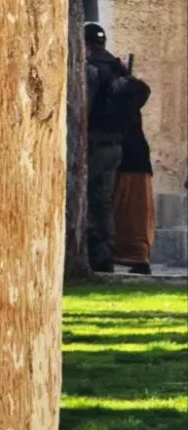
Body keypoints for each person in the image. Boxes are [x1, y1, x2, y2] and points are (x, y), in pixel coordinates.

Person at [84, 23, 148, 273]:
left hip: (93, 146)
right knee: (103, 203)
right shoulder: (118, 67)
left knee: (75, 196)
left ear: (85, 44)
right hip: (115, 146)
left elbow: (85, 108)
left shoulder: (90, 68)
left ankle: (93, 251)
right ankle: (105, 255)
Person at [112, 108, 154, 275]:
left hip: (128, 164)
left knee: (131, 214)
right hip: (133, 162)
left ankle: (137, 256)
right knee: (135, 214)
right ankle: (138, 256)